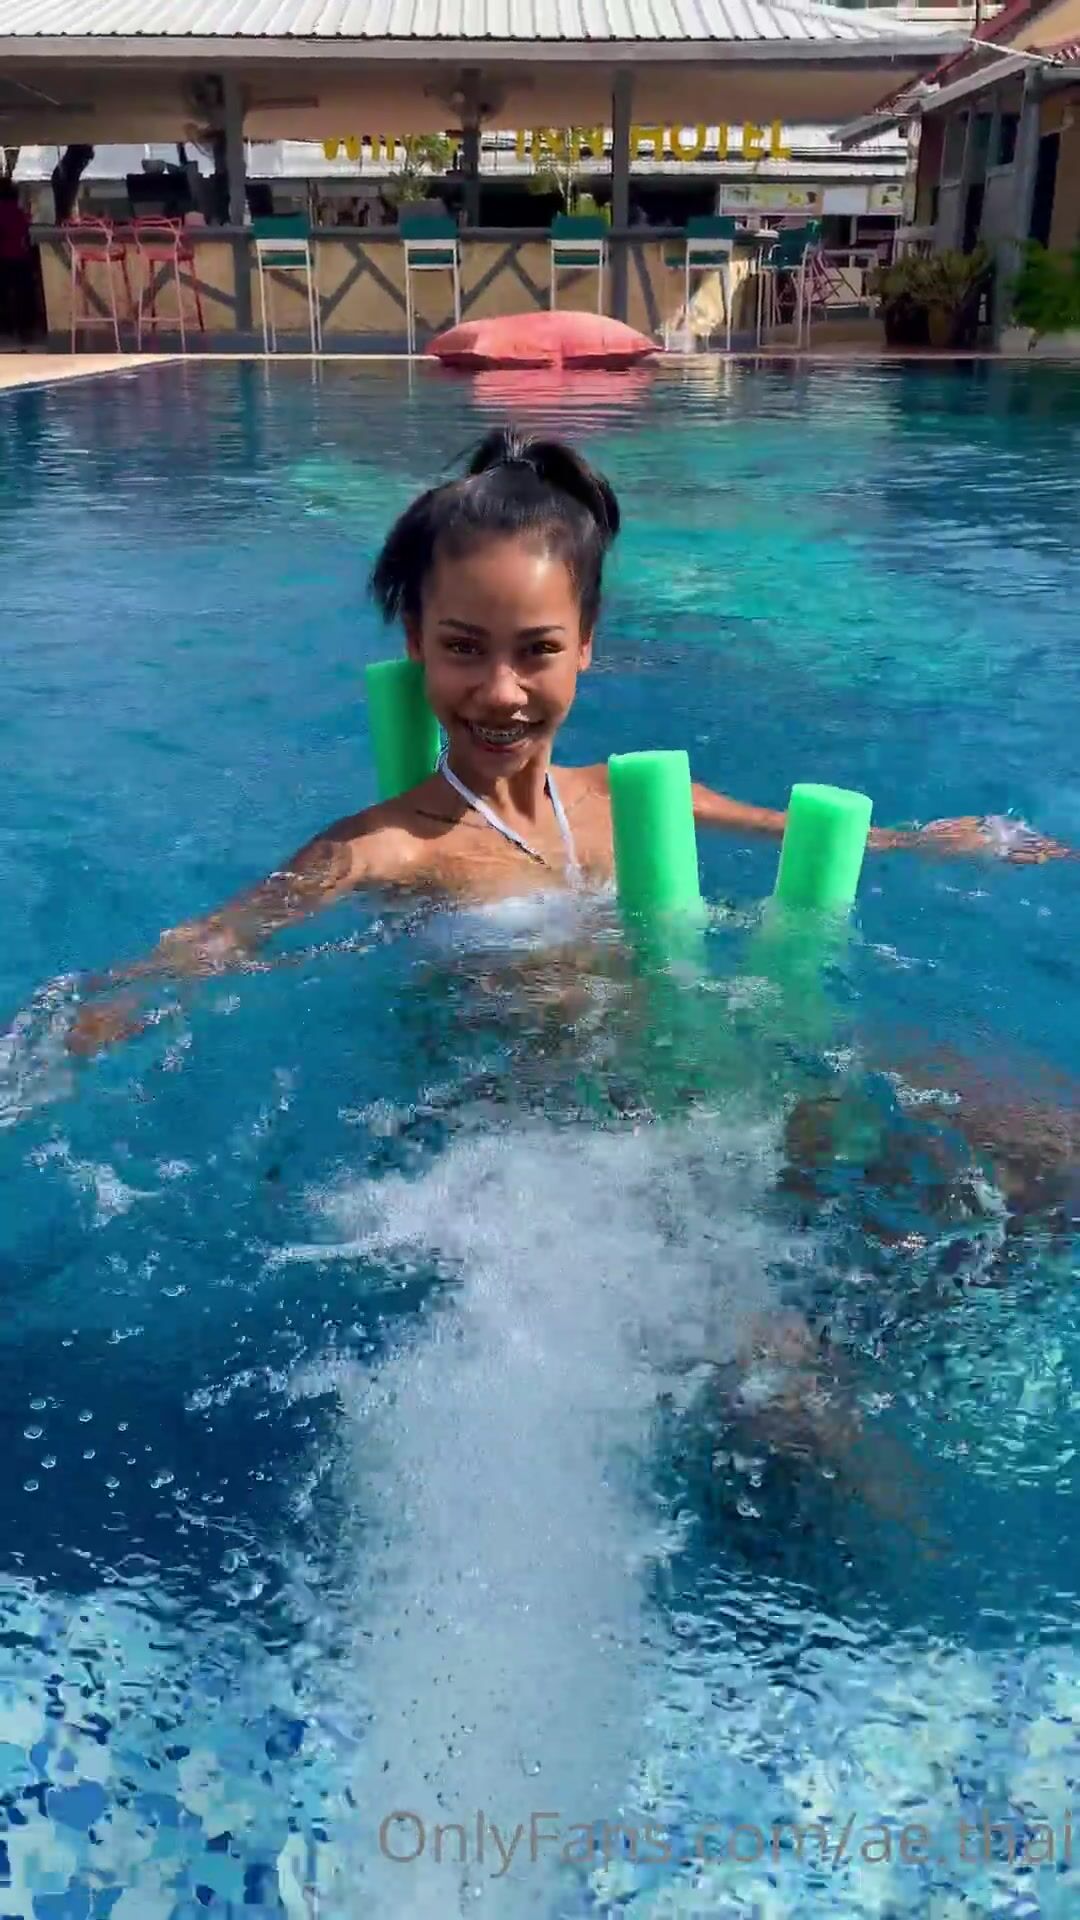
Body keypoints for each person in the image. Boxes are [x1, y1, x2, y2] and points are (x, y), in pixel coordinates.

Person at [67, 427, 1069, 1054]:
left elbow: (797, 835)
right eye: (463, 648)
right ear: (415, 642)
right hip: (530, 1127)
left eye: (537, 650)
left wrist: (931, 841)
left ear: (586, 644)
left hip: (699, 1065)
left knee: (1034, 1142)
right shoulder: (388, 847)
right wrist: (116, 1001)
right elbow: (228, 932)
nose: (501, 692)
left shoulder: (628, 801)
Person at [0, 177, 34, 348]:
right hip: (20, 258)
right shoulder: (19, 212)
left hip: (3, 259)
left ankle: (6, 326)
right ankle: (24, 329)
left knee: (4, 295)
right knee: (23, 294)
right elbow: (26, 234)